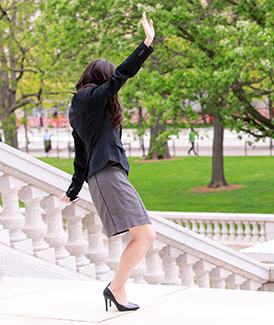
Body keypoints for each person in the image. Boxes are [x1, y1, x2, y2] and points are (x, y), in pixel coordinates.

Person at [60, 12, 156, 312]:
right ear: (99, 80)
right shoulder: (86, 99)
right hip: (106, 173)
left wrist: (74, 188)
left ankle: (117, 289)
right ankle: (115, 288)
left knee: (145, 234)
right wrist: (146, 44)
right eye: (108, 80)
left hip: (106, 172)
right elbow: (119, 78)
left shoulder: (87, 107)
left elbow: (81, 153)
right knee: (145, 234)